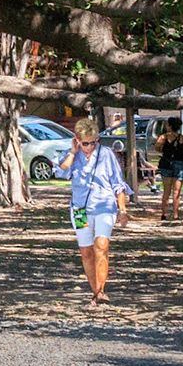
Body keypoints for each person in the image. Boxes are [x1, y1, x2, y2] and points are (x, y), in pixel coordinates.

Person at [54, 118, 131, 304]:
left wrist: (122, 209)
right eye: (85, 142)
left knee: (102, 246)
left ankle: (101, 291)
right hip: (80, 210)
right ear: (77, 139)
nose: (89, 147)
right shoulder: (72, 155)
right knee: (86, 251)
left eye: (93, 142)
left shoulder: (106, 154)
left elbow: (118, 184)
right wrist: (74, 151)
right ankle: (95, 291)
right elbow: (61, 171)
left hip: (104, 207)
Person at [154, 117, 183, 221]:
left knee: (166, 191)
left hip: (167, 163)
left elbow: (157, 147)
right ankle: (175, 214)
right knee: (177, 192)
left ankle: (164, 214)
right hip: (179, 164)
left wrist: (165, 150)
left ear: (169, 126)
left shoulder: (163, 137)